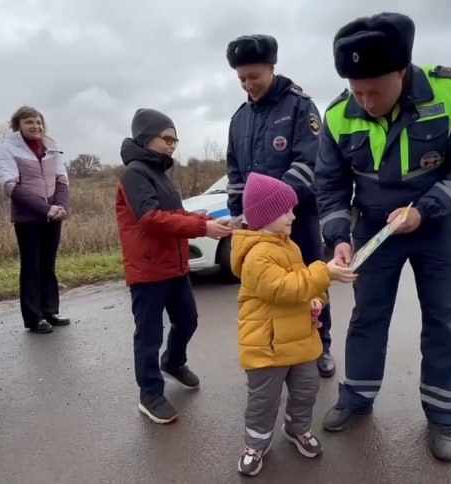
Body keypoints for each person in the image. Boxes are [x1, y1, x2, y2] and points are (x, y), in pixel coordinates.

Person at [314, 13, 451, 462]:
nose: (366, 101)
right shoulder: (338, 114)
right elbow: (330, 185)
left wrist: (425, 210)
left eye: (375, 90)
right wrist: (339, 235)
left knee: (442, 320)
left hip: (436, 224)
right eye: (357, 90)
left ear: (403, 71)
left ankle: (442, 416)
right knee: (367, 316)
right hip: (375, 229)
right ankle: (356, 397)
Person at [224, 34, 337, 379]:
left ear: (272, 68)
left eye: (254, 77)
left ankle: (321, 345)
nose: (248, 85)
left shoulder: (300, 106)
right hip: (256, 224)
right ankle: (277, 347)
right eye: (241, 78)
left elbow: (310, 160)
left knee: (310, 279)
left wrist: (275, 206)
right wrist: (237, 212)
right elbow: (235, 172)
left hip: (297, 216)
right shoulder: (239, 118)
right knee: (269, 287)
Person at [229, 173, 357, 476]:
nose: (293, 215)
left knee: (306, 390)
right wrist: (323, 273)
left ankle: (297, 428)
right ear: (266, 214)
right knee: (263, 400)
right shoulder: (256, 256)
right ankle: (255, 444)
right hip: (268, 346)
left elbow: (301, 288)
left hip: (299, 341)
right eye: (286, 210)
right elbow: (284, 289)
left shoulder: (289, 246)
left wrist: (316, 300)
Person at [115, 108, 233, 424]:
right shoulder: (135, 173)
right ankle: (150, 394)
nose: (171, 145)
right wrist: (202, 230)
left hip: (175, 266)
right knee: (149, 335)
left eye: (175, 140)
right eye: (166, 139)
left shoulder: (162, 174)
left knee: (188, 320)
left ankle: (174, 361)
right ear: (145, 137)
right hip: (148, 270)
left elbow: (179, 213)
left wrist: (214, 221)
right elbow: (150, 219)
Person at [0, 106, 71, 334]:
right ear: (18, 125)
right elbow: (10, 185)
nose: (36, 126)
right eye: (29, 122)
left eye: (39, 122)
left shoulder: (51, 146)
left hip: (53, 215)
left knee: (48, 265)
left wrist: (61, 207)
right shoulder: (8, 149)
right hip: (28, 217)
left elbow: (62, 179)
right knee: (31, 267)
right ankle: (34, 318)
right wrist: (45, 208)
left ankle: (50, 311)